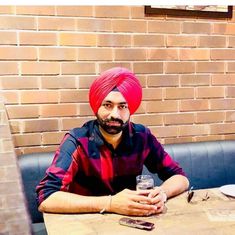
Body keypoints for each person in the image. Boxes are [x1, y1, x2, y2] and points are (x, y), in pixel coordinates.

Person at [36, 67, 189, 216]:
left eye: (122, 106)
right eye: (107, 105)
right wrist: (110, 203)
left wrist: (162, 193)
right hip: (87, 224)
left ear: (131, 110)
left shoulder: (142, 136)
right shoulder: (77, 141)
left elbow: (180, 178)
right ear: (97, 107)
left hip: (131, 222)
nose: (115, 114)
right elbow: (46, 198)